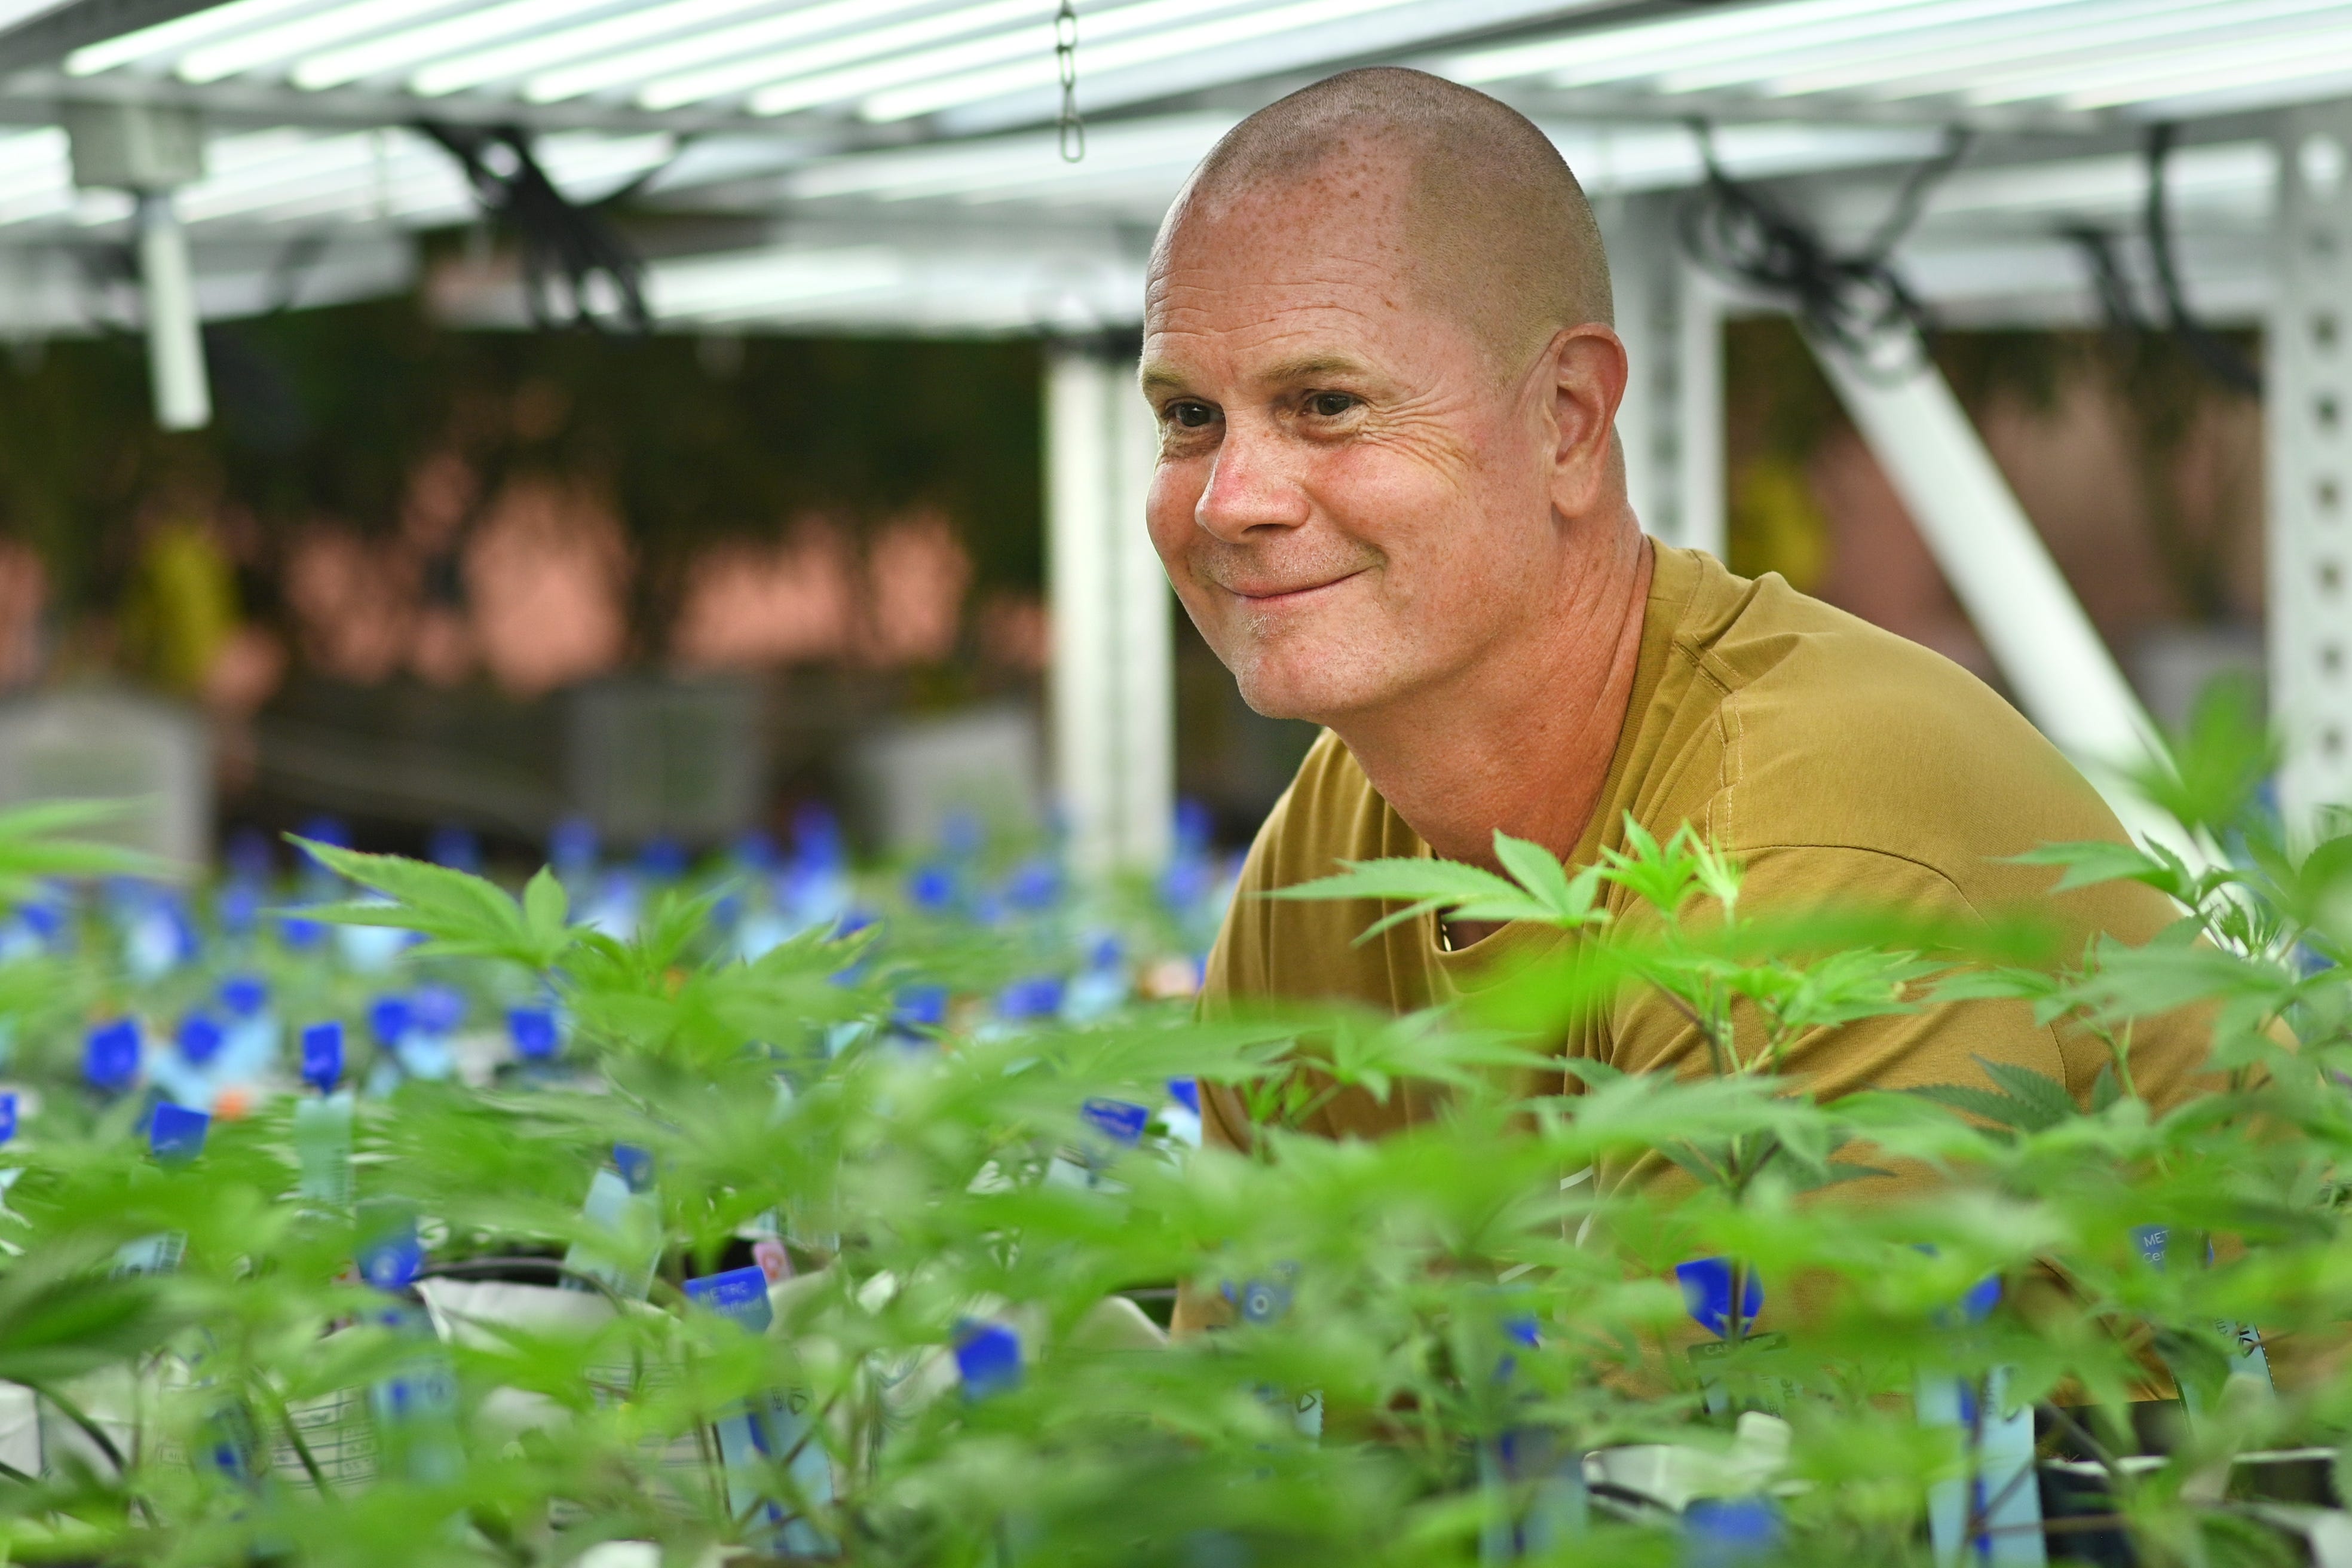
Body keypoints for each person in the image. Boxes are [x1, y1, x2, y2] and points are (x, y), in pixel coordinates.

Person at [1142, 69, 2211, 1328]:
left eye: (1327, 405)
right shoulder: (1329, 848)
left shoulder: (1802, 826)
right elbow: (1246, 1426)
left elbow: (1726, 1485)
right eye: (1189, 416)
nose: (1231, 499)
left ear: (1568, 419)